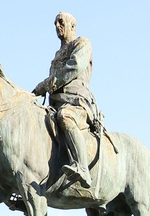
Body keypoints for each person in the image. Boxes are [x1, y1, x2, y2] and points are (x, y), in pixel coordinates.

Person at [31, 12, 102, 193]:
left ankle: (82, 168)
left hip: (76, 103)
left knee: (65, 117)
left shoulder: (82, 44)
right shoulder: (57, 54)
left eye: (61, 22)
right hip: (54, 104)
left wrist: (45, 85)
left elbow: (73, 68)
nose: (57, 25)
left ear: (72, 26)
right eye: (55, 23)